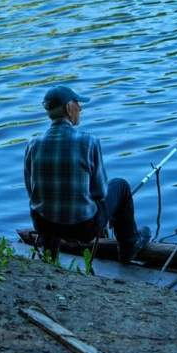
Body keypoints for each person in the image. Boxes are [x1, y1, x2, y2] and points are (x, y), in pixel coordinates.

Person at [24, 84, 151, 262]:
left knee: (48, 200)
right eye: (78, 103)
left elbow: (32, 191)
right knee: (120, 186)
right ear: (69, 108)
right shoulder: (88, 142)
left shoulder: (33, 144)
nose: (81, 108)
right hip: (83, 229)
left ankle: (50, 254)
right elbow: (100, 193)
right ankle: (129, 246)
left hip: (44, 226)